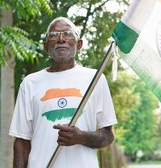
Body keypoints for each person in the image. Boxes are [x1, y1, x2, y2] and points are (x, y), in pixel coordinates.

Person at [9, 17, 117, 168]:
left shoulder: (95, 79)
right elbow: (21, 141)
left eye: (67, 34)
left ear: (79, 44)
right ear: (46, 46)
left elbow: (108, 135)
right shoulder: (30, 83)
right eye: (53, 35)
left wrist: (81, 137)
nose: (61, 39)